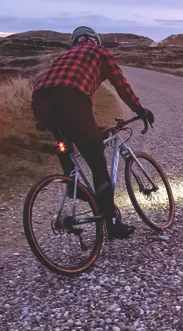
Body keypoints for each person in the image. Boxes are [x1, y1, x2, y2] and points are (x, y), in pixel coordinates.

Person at [31, 26, 154, 240]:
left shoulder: (65, 55)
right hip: (72, 99)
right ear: (95, 40)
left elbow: (60, 93)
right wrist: (140, 110)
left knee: (65, 141)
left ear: (75, 42)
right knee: (98, 166)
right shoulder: (99, 52)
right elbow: (122, 86)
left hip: (40, 99)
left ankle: (71, 182)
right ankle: (112, 224)